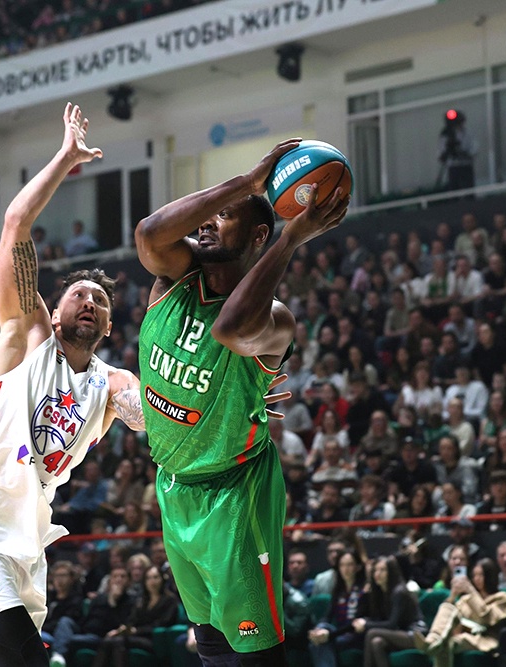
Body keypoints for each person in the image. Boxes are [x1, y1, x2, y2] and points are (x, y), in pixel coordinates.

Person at [0, 104, 146, 667]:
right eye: (79, 294)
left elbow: (148, 414)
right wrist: (66, 159)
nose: (89, 302)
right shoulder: (26, 336)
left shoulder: (111, 381)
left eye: (100, 300)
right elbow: (15, 225)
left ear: (109, 326)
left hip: (28, 543)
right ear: (55, 309)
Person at [135, 134, 349, 665]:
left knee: (254, 650)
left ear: (258, 235)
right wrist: (248, 183)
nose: (206, 222)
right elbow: (148, 233)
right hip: (173, 487)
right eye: (208, 213)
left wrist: (292, 237)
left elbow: (230, 329)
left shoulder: (276, 320)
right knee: (209, 642)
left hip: (235, 492)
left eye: (225, 214)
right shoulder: (171, 279)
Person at [413, 558, 506, 667]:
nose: (476, 579)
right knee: (447, 615)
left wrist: (470, 590)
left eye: (481, 575)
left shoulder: (503, 598)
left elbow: (485, 617)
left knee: (450, 642)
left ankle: (433, 643)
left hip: (484, 639)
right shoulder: (466, 599)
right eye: (474, 575)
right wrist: (453, 595)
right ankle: (433, 639)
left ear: (491, 576)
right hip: (462, 635)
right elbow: (451, 616)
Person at [91, 566, 179, 667]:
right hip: (136, 637)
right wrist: (122, 629)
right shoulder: (142, 601)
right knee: (107, 641)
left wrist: (136, 631)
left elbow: (163, 623)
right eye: (148, 578)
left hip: (154, 639)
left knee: (119, 641)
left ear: (162, 579)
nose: (152, 581)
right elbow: (132, 620)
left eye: (155, 577)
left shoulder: (170, 600)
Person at [361, 556, 425, 667]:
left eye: (382, 570)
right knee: (377, 642)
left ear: (391, 572)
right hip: (400, 633)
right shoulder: (381, 593)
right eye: (375, 570)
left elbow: (391, 624)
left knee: (372, 633)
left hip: (416, 635)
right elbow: (379, 619)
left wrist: (366, 625)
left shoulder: (399, 592)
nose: (377, 574)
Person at [438, 110, 475, 191]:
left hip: (466, 165)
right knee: (454, 191)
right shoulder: (445, 135)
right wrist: (448, 151)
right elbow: (441, 153)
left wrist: (465, 153)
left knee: (468, 190)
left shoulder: (467, 133)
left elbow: (474, 148)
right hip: (453, 166)